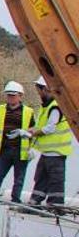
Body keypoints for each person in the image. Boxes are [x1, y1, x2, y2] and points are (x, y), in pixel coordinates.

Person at [24, 76, 72, 205]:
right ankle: (35, 201)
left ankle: (55, 206)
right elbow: (42, 126)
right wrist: (30, 131)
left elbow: (50, 128)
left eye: (39, 90)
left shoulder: (55, 106)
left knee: (56, 181)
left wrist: (34, 132)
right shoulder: (47, 106)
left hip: (56, 153)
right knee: (41, 179)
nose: (38, 93)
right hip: (47, 153)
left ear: (45, 89)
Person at [0, 81, 34, 202]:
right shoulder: (0, 109)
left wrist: (32, 149)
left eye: (13, 95)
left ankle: (16, 199)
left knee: (19, 178)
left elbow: (33, 132)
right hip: (4, 150)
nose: (11, 98)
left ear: (20, 96)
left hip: (20, 151)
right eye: (9, 95)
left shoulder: (28, 112)